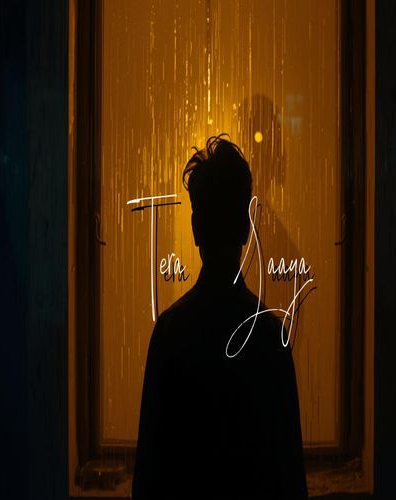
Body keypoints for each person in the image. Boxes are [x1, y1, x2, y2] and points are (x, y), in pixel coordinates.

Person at [132, 135, 308, 499]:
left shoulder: (171, 334)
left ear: (196, 228)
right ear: (246, 227)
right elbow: (291, 476)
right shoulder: (270, 337)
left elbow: (148, 477)